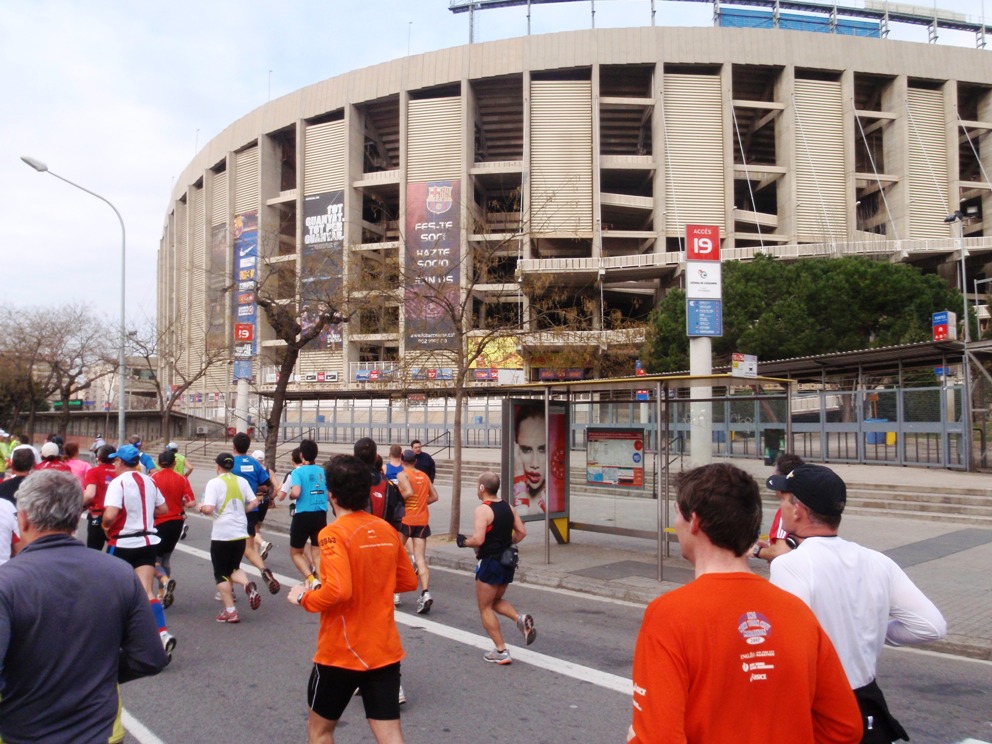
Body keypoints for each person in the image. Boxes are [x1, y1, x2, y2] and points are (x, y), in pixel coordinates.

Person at [627, 463, 862, 744]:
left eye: (678, 514)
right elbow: (845, 727)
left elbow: (660, 738)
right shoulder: (796, 611)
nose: (676, 524)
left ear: (695, 522)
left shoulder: (669, 615)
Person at [768, 464, 947, 744]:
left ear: (798, 510)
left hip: (819, 710)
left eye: (783, 500)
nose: (780, 508)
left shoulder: (790, 566)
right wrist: (872, 628)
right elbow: (930, 626)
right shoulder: (878, 561)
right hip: (866, 706)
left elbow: (791, 651)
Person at [0, 470, 168, 744]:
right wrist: (95, 673)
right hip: (101, 732)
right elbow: (150, 657)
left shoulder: (7, 583)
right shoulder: (119, 573)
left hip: (26, 732)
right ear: (76, 516)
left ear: (24, 518)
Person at [287, 454, 418, 744]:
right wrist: (373, 581)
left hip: (340, 653)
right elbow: (409, 581)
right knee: (391, 735)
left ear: (331, 494)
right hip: (384, 650)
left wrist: (304, 597)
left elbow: (337, 591)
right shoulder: (386, 530)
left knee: (320, 731)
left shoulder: (332, 533)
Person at [102, 444, 176, 659]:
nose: (114, 464)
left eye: (116, 461)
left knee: (112, 591)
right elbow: (163, 509)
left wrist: (106, 526)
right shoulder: (150, 481)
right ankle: (162, 634)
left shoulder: (118, 483)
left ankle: (114, 638)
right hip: (147, 542)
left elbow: (110, 515)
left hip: (122, 542)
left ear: (120, 462)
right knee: (146, 591)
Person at [456, 471, 536, 665]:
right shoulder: (508, 507)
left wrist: (463, 542)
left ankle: (501, 650)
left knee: (484, 607)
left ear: (482, 488)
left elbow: (479, 539)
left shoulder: (483, 510)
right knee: (495, 600)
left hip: (490, 562)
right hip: (507, 562)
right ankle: (520, 618)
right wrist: (507, 543)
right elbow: (522, 532)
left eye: (477, 486)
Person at [196, 452, 262, 623]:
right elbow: (255, 502)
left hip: (222, 535)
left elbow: (210, 509)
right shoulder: (242, 481)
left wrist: (201, 507)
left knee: (221, 573)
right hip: (240, 533)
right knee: (233, 567)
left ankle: (231, 611)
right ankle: (247, 584)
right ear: (231, 466)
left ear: (218, 466)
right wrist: (242, 511)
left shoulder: (214, 483)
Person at [231, 433, 279, 595]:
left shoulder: (230, 462)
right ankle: (264, 569)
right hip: (252, 509)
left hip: (234, 510)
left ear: (234, 446)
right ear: (248, 446)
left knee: (230, 551)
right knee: (249, 548)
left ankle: (228, 590)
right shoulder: (254, 463)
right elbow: (266, 484)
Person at [151, 448, 195, 608]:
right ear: (175, 463)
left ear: (158, 463)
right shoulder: (182, 479)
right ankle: (162, 593)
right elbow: (191, 503)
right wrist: (180, 503)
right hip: (176, 523)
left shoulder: (152, 478)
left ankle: (164, 583)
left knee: (153, 560)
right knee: (166, 560)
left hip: (158, 523)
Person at [396, 448, 439, 614]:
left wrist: (400, 500)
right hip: (422, 521)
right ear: (415, 461)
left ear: (402, 461)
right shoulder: (424, 476)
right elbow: (435, 497)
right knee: (420, 559)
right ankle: (425, 592)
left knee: (396, 555)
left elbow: (408, 493)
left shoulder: (402, 475)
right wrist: (422, 503)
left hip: (406, 520)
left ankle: (396, 593)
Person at [288, 438, 329, 590]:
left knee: (296, 552)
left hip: (303, 514)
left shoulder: (297, 472)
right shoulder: (322, 471)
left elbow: (296, 492)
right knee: (317, 552)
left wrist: (291, 496)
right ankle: (321, 581)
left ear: (301, 455)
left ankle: (312, 579)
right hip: (320, 514)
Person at [752, 452, 804, 563]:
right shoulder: (804, 505)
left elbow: (781, 552)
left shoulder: (786, 511)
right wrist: (769, 547)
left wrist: (756, 551)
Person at [82, 444, 118, 551]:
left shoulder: (94, 472)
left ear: (99, 458)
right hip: (116, 516)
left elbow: (89, 494)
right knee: (116, 552)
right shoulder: (120, 472)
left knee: (94, 553)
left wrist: (79, 507)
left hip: (97, 516)